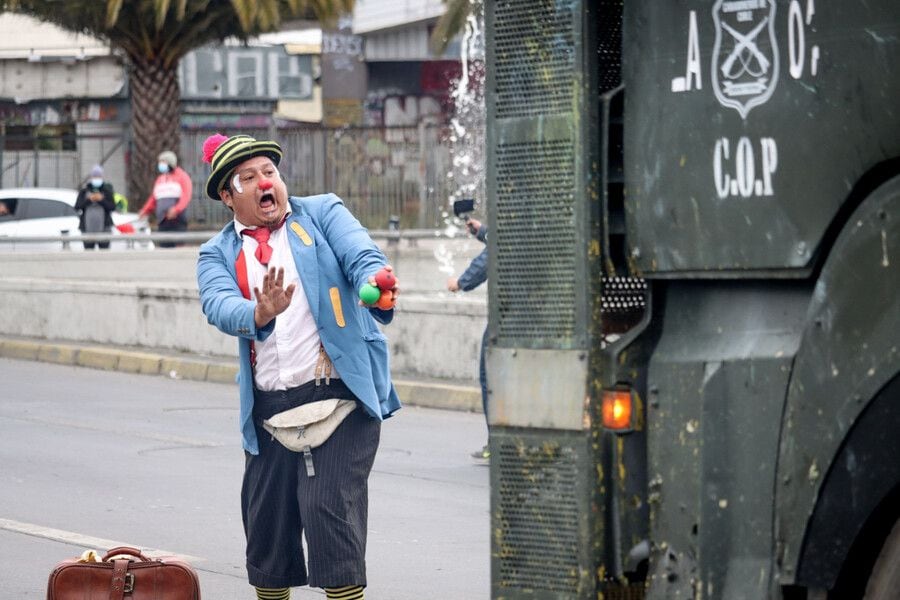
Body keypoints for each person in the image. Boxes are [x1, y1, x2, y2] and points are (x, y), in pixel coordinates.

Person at [196, 133, 400, 600]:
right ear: (228, 197)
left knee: (328, 512)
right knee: (268, 539)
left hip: (339, 398)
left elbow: (361, 255)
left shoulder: (321, 213)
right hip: (269, 411)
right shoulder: (216, 253)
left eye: (269, 172)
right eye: (248, 178)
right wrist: (258, 313)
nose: (264, 182)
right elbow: (218, 304)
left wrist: (376, 280)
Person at [446, 217, 490, 462]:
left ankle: (497, 439)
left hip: (509, 317)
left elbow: (498, 247)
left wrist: (461, 282)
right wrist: (482, 231)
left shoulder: (515, 198)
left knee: (489, 376)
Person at [138, 150, 192, 247]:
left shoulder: (182, 177)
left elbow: (186, 196)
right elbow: (154, 198)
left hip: (177, 220)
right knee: (164, 247)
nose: (160, 165)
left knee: (178, 248)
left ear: (170, 163)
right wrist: (144, 211)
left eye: (163, 162)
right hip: (163, 221)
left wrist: (176, 209)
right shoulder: (160, 179)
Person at [74, 165, 116, 250]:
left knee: (104, 253)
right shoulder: (84, 191)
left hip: (105, 227)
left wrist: (101, 200)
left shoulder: (107, 191)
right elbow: (77, 207)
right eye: (95, 176)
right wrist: (89, 200)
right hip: (87, 228)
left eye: (98, 176)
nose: (97, 178)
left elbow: (112, 207)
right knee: (89, 253)